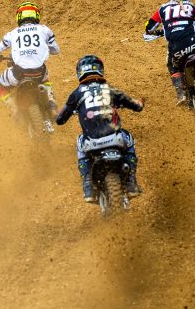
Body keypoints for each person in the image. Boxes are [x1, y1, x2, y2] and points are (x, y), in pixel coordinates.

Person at [55, 55, 145, 202]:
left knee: (79, 142)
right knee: (128, 138)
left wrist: (62, 113)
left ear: (80, 72)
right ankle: (131, 182)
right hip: (115, 139)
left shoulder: (76, 94)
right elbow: (136, 106)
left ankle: (88, 186)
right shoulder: (109, 89)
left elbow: (60, 120)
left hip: (92, 143)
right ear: (100, 70)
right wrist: (140, 103)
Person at [0, 2, 59, 129]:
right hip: (39, 72)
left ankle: (15, 110)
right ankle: (51, 104)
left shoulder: (12, 33)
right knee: (45, 81)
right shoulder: (45, 30)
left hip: (18, 73)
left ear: (19, 17)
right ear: (36, 16)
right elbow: (56, 50)